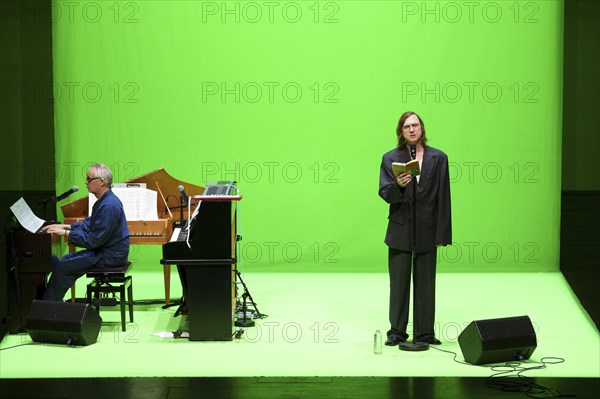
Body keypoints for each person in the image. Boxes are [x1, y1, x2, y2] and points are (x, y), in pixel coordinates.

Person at [378, 111, 452, 346]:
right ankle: (397, 332)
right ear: (401, 131)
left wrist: (442, 234)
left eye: (416, 125)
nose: (412, 129)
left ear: (422, 129)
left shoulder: (438, 158)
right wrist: (398, 186)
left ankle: (425, 334)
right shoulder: (390, 158)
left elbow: (444, 198)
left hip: (427, 230)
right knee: (399, 285)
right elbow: (385, 194)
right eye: (407, 126)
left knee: (426, 285)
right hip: (400, 228)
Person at [42, 163, 130, 301]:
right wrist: (66, 227)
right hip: (103, 251)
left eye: (89, 179)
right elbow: (89, 224)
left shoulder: (109, 206)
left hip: (110, 257)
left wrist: (66, 234)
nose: (85, 182)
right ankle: (51, 303)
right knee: (64, 260)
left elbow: (93, 240)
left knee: (63, 268)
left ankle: (48, 308)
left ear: (101, 182)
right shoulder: (103, 201)